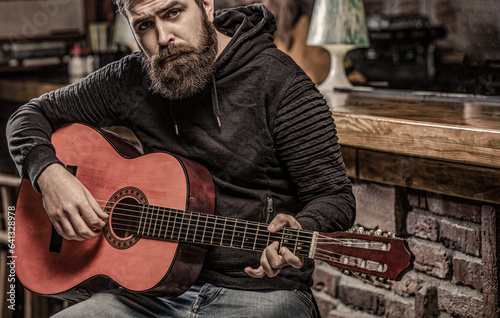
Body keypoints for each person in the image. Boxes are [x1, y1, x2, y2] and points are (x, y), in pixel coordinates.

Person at [6, 0, 355, 317]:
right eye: (144, 25)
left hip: (261, 294)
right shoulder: (133, 78)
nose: (162, 37)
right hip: (150, 295)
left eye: (173, 13)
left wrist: (305, 227)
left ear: (206, 5)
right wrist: (49, 175)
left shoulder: (281, 82)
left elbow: (334, 196)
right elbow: (29, 116)